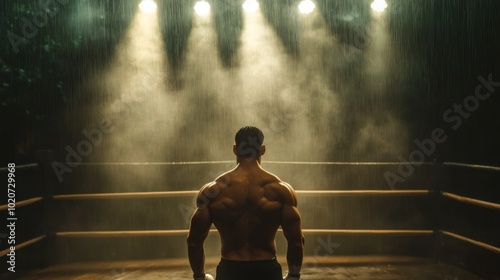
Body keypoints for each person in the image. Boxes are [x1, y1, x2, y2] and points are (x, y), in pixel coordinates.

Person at [187, 126, 305, 280]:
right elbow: (296, 242)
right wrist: (294, 276)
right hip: (267, 270)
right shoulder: (281, 190)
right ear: (262, 150)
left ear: (235, 149)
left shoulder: (213, 191)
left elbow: (194, 242)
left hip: (230, 270)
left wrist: (199, 276)